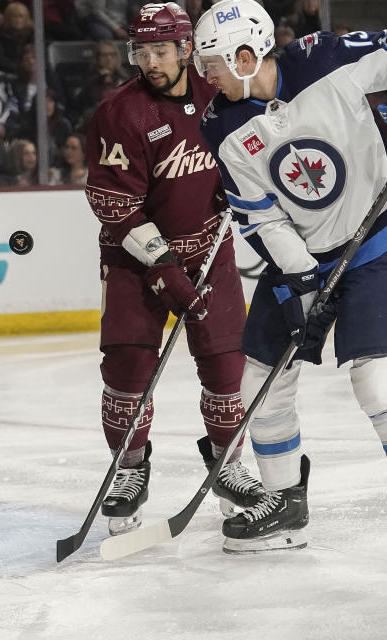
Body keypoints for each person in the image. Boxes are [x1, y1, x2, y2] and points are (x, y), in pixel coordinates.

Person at [193, 0, 387, 552]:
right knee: (262, 379)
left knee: (376, 380)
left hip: (376, 239)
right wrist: (301, 281)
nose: (205, 78)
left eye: (212, 65)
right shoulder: (221, 125)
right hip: (301, 257)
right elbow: (262, 214)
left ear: (246, 55)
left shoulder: (325, 58)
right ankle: (285, 504)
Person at [84, 2, 263, 536]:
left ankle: (228, 463)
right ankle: (130, 467)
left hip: (211, 250)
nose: (150, 61)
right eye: (141, 51)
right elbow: (113, 202)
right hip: (136, 260)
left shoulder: (220, 94)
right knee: (128, 370)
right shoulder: (120, 112)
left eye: (160, 50)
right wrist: (164, 269)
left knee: (227, 368)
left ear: (187, 49)